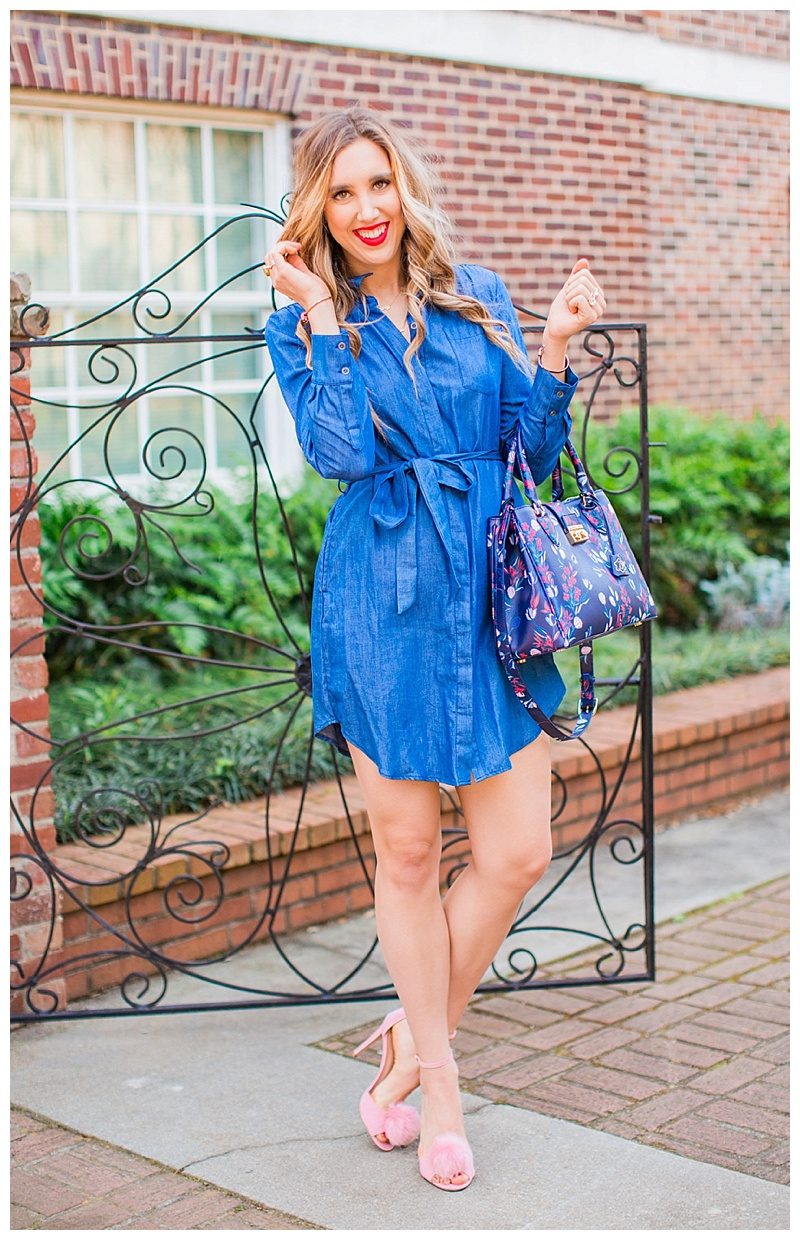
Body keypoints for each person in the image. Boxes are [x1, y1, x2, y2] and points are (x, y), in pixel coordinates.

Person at [263, 107, 606, 1192]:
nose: (364, 209)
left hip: (484, 595)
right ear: (315, 211)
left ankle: (404, 1041)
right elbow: (338, 451)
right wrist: (320, 314)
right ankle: (439, 1080)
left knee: (513, 853)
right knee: (407, 854)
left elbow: (531, 447)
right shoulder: (304, 322)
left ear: (403, 188)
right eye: (340, 193)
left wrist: (549, 349)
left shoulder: (477, 295)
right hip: (380, 600)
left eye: (377, 184)